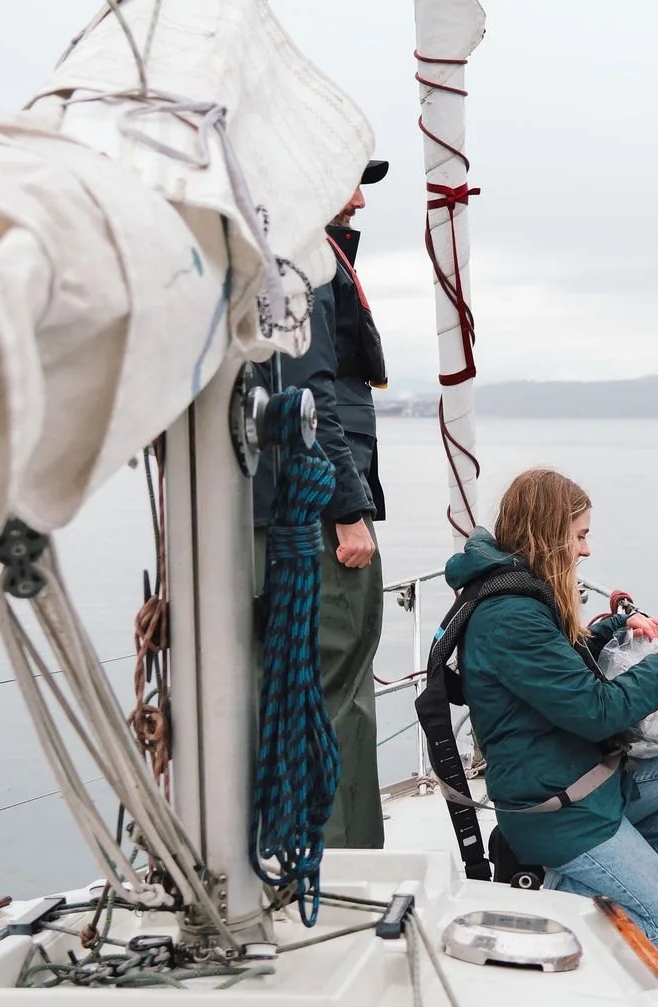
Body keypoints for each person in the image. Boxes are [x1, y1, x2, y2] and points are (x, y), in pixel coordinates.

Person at [443, 468, 658, 956]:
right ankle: (562, 902)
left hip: (587, 785)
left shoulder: (519, 598)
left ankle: (614, 881)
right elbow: (596, 712)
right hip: (560, 812)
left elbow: (557, 666)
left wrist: (615, 629)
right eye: (580, 536)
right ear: (547, 533)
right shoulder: (512, 616)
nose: (586, 550)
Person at [251, 158, 392, 849]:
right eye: (350, 183)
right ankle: (339, 870)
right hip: (320, 525)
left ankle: (299, 852)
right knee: (336, 695)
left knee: (312, 690)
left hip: (293, 517)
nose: (361, 200)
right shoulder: (303, 267)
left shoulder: (284, 263)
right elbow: (314, 399)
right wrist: (347, 509)